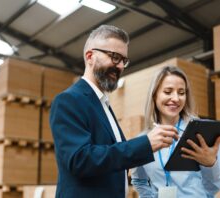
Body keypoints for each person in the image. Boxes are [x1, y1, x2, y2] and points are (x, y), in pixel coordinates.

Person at [49, 25, 178, 198]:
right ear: (90, 57)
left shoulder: (103, 104)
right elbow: (80, 160)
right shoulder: (69, 100)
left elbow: (112, 160)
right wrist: (145, 144)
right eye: (114, 57)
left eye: (124, 60)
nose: (120, 66)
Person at [131, 66, 220, 198]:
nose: (176, 98)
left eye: (181, 92)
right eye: (168, 92)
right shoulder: (144, 139)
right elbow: (139, 180)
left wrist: (211, 164)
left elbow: (213, 184)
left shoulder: (199, 132)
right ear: (154, 95)